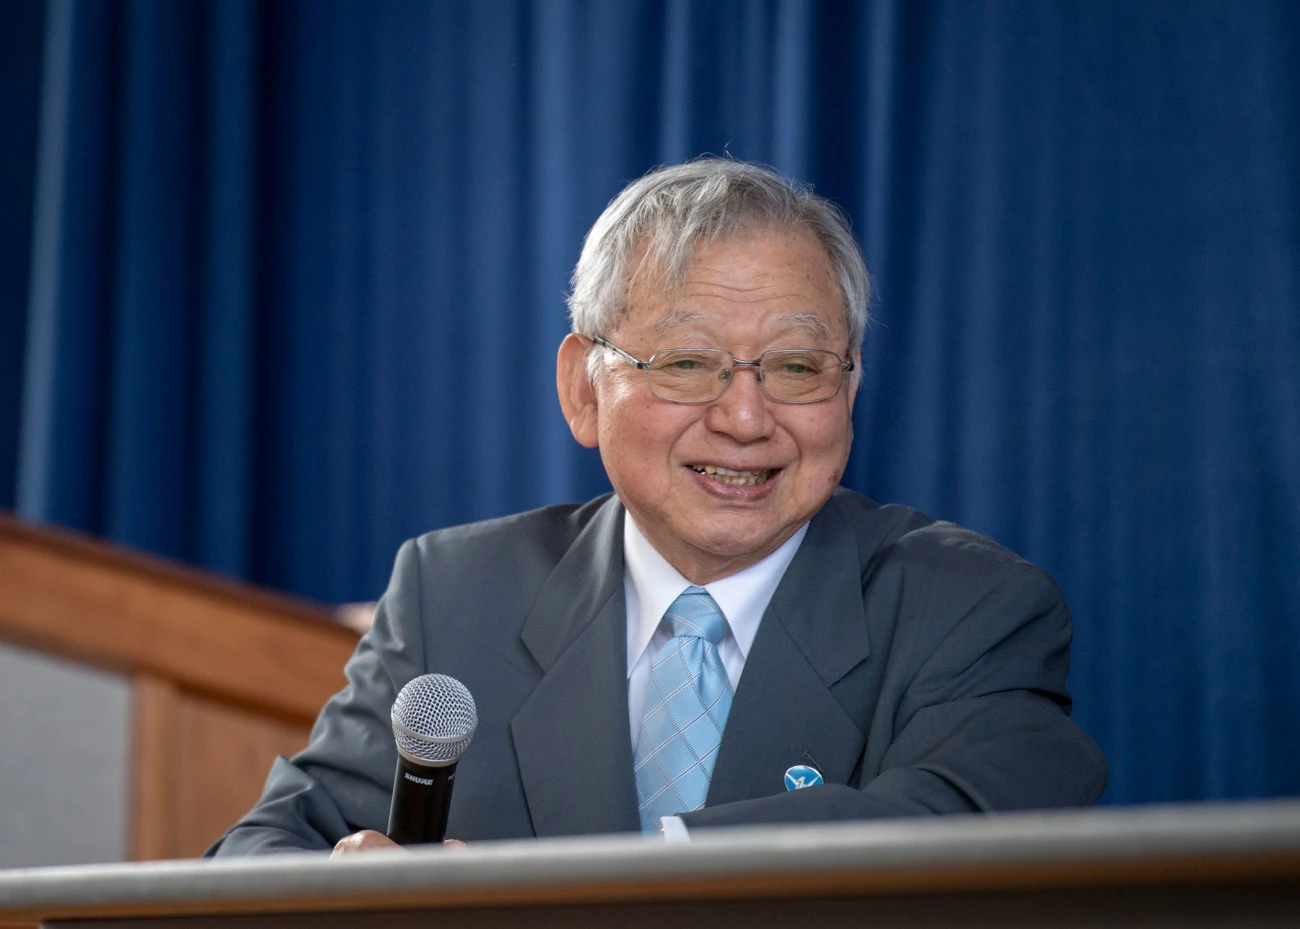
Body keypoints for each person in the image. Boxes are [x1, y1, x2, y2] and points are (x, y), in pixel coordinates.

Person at [209, 158, 1107, 856]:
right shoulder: (454, 594)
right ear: (583, 389)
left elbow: (988, 831)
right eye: (687, 363)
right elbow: (258, 850)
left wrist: (630, 869)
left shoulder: (969, 606)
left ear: (851, 386)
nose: (746, 417)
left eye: (796, 368)